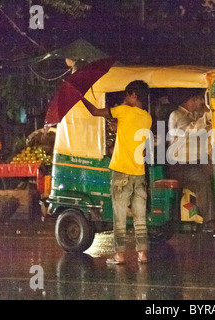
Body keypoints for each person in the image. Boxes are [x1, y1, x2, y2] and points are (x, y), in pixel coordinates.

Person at [79, 80, 152, 264]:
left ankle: (119, 255)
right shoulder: (147, 118)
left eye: (127, 95)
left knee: (119, 217)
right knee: (140, 217)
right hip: (139, 174)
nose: (125, 98)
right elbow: (134, 139)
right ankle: (142, 254)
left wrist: (81, 98)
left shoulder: (123, 110)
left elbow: (95, 112)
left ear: (134, 95)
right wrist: (119, 128)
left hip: (121, 172)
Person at [167, 89, 215, 232]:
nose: (201, 103)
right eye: (200, 99)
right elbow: (190, 131)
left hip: (195, 162)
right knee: (202, 180)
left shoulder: (194, 115)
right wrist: (206, 118)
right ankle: (209, 221)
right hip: (180, 165)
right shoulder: (176, 116)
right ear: (192, 100)